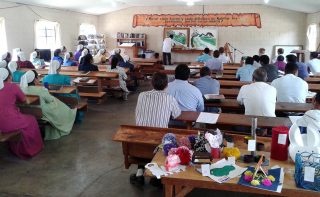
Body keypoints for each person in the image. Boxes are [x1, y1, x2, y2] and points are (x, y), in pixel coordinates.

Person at [133, 72, 181, 185]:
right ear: (167, 85)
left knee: (145, 139)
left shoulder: (142, 95)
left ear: (151, 83)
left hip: (139, 138)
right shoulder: (170, 98)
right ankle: (157, 175)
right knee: (169, 137)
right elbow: (177, 114)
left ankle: (140, 172)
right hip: (159, 141)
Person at [20, 70, 77, 140]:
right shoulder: (40, 90)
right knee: (59, 105)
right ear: (34, 79)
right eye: (37, 77)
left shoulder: (21, 90)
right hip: (42, 112)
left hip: (28, 111)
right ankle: (68, 118)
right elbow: (50, 99)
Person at [0, 68, 43, 159]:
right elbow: (24, 100)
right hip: (8, 122)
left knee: (20, 120)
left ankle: (17, 145)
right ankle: (30, 148)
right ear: (9, 77)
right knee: (31, 119)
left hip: (1, 124)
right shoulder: (12, 87)